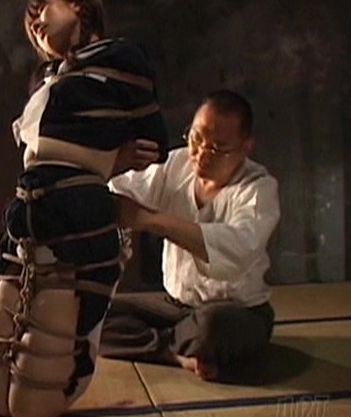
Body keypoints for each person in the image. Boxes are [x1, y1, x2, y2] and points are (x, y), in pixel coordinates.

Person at [0, 0, 170, 417]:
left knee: (37, 391)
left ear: (79, 7)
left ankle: (73, 369)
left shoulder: (122, 58)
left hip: (78, 206)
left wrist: (121, 155)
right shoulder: (45, 79)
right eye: (30, 26)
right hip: (28, 207)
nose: (35, 25)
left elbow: (153, 139)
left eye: (42, 11)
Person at [99, 89, 281, 382]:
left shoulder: (259, 188)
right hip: (175, 306)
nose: (201, 155)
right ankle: (176, 353)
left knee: (211, 327)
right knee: (94, 311)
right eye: (196, 139)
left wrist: (150, 220)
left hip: (236, 310)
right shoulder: (177, 163)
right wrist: (119, 161)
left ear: (246, 147)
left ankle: (173, 343)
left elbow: (238, 249)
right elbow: (120, 191)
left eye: (218, 148)